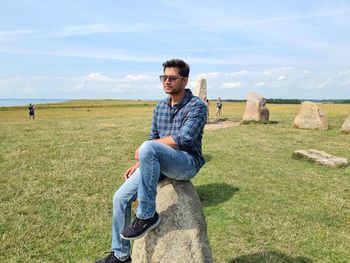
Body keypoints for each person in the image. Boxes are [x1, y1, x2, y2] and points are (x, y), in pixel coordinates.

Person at [95, 59, 208, 263]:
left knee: (149, 147)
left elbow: (184, 139)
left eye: (172, 78)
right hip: (158, 161)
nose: (166, 81)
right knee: (119, 198)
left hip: (186, 162)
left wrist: (148, 150)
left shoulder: (197, 106)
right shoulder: (160, 107)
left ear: (185, 80)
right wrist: (141, 162)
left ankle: (147, 216)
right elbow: (152, 138)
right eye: (163, 77)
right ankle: (120, 255)